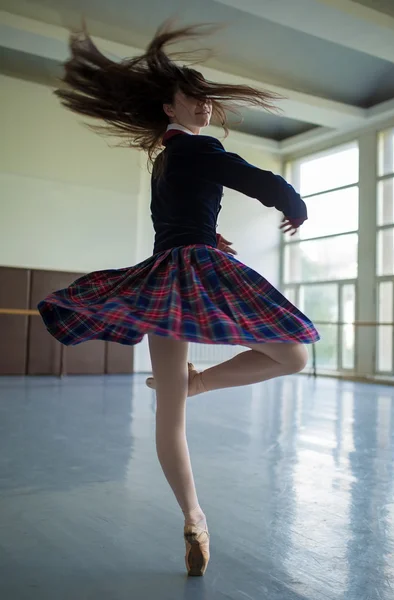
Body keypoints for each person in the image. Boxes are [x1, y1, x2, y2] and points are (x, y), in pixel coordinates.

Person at [38, 21, 319, 577]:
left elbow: (166, 219)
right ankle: (202, 382)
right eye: (195, 99)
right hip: (197, 272)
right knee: (294, 354)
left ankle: (193, 517)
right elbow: (252, 177)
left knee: (170, 414)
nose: (206, 108)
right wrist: (294, 204)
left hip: (163, 278)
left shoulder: (163, 161)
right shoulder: (196, 149)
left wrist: (207, 233)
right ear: (170, 107)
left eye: (207, 101)